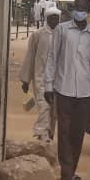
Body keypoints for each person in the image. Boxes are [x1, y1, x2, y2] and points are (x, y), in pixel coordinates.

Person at [44, 0, 90, 180]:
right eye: (77, 8)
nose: (80, 11)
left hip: (85, 91)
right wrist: (48, 85)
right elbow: (53, 57)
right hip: (63, 88)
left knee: (77, 133)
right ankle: (65, 177)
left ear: (89, 12)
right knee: (64, 132)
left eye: (84, 9)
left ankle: (71, 171)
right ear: (72, 10)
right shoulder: (62, 30)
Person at [20, 8, 60, 141]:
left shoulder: (62, 34)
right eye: (52, 17)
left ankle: (50, 132)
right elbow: (30, 56)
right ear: (47, 18)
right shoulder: (37, 35)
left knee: (54, 109)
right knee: (44, 105)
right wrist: (26, 80)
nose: (54, 20)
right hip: (40, 77)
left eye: (56, 17)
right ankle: (41, 131)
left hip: (57, 79)